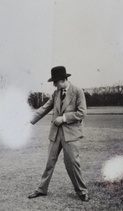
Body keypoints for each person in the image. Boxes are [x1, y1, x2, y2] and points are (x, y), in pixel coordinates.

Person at [27, 66, 90, 202]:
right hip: (55, 134)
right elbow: (44, 108)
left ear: (63, 79)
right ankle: (41, 189)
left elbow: (82, 113)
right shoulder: (56, 93)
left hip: (71, 135)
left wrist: (64, 118)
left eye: (55, 81)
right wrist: (29, 120)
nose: (54, 84)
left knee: (72, 164)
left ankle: (82, 191)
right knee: (49, 162)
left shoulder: (78, 91)